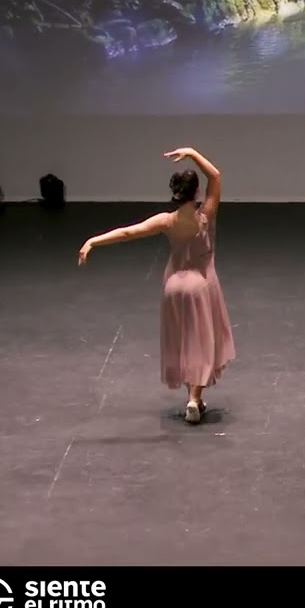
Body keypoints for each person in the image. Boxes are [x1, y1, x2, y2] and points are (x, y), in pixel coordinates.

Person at [78, 147, 235, 425]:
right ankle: (194, 398)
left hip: (173, 286)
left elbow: (129, 232)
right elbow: (216, 175)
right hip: (200, 285)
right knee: (200, 342)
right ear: (196, 193)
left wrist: (93, 241)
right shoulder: (205, 216)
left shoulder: (167, 221)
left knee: (184, 340)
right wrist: (192, 153)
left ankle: (194, 398)